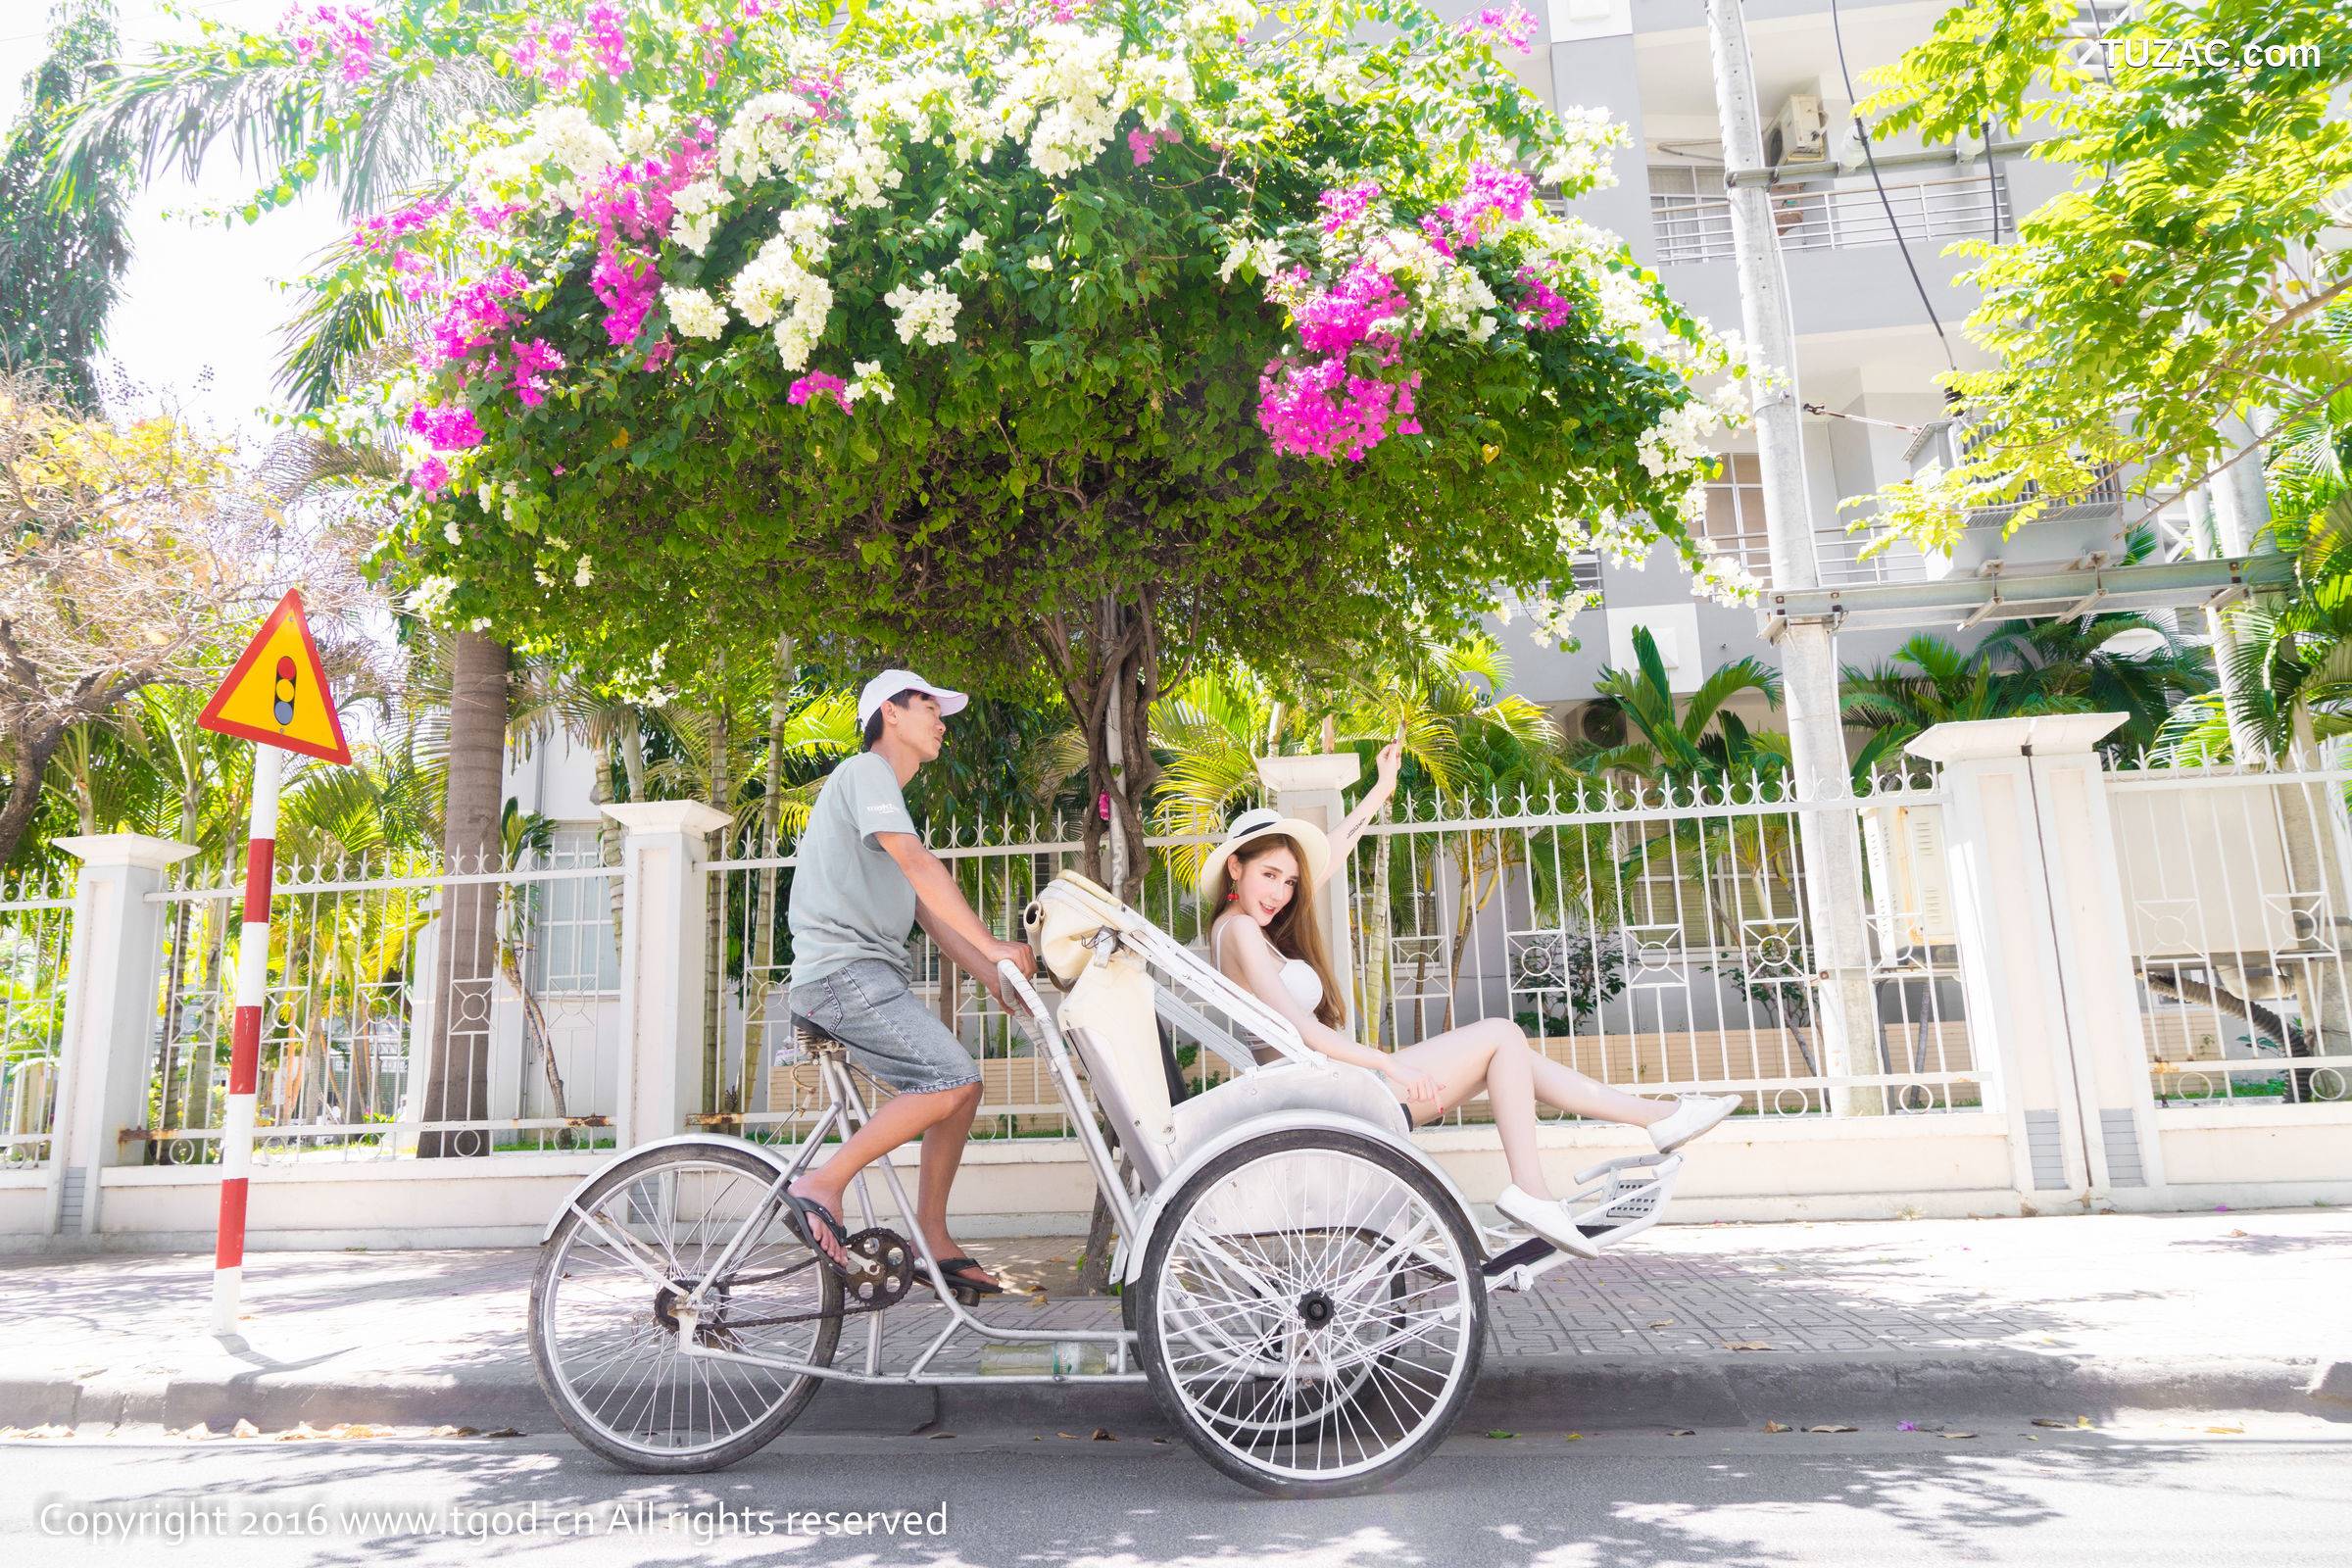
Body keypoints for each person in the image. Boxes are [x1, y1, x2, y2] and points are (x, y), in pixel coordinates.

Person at [1203, 741, 1740, 1254]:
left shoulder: (1243, 926)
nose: (1280, 892)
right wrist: (1389, 1064)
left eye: (1289, 882)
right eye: (1268, 875)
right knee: (1504, 1036)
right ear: (1236, 867)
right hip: (1326, 1097)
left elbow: (1331, 854)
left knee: (1510, 1056)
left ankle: (1654, 1117)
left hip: (1325, 1090)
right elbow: (1303, 1030)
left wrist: (1380, 791)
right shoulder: (1242, 933)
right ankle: (1547, 1181)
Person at [783, 668, 1037, 1296]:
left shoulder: (885, 808)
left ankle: (930, 1234)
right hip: (843, 976)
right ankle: (822, 1182)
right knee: (952, 1076)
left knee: (963, 1088)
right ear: (890, 714)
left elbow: (934, 916)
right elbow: (922, 865)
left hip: (861, 977)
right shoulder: (865, 773)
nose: (941, 723)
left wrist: (1004, 982)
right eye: (930, 706)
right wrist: (997, 944)